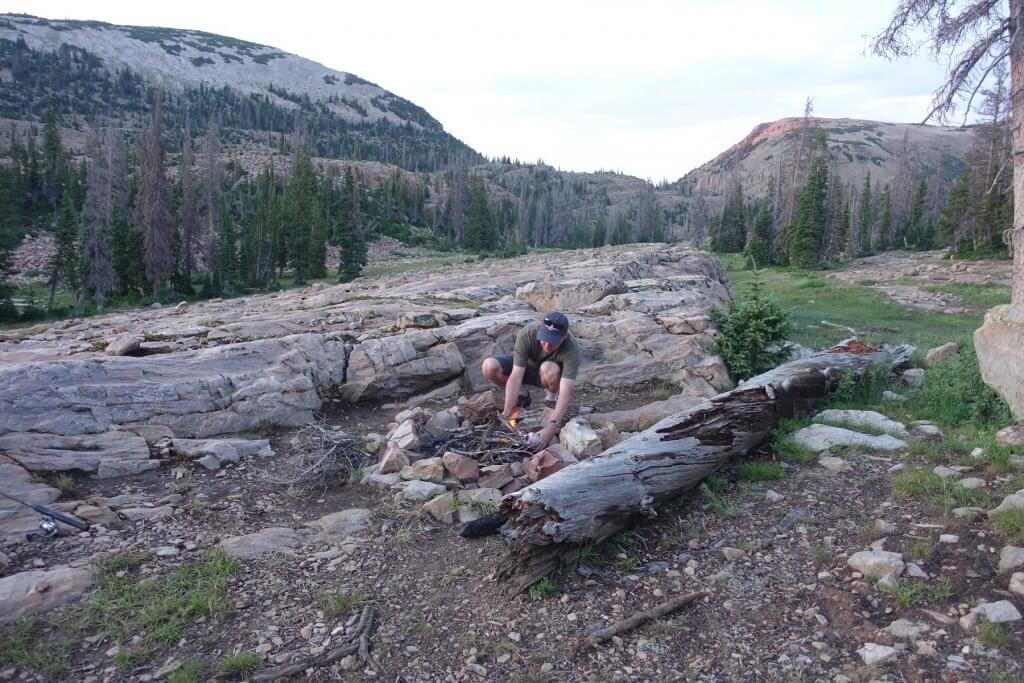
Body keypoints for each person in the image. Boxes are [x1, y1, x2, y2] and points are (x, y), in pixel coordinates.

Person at [480, 311, 580, 450]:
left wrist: (551, 429)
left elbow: (566, 392)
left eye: (552, 342)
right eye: (544, 338)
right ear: (540, 329)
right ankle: (522, 395)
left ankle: (551, 398)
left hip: (549, 375)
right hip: (526, 367)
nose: (546, 345)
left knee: (548, 368)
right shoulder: (528, 333)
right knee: (489, 366)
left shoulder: (572, 349)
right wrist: (506, 413)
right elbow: (516, 375)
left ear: (563, 337)